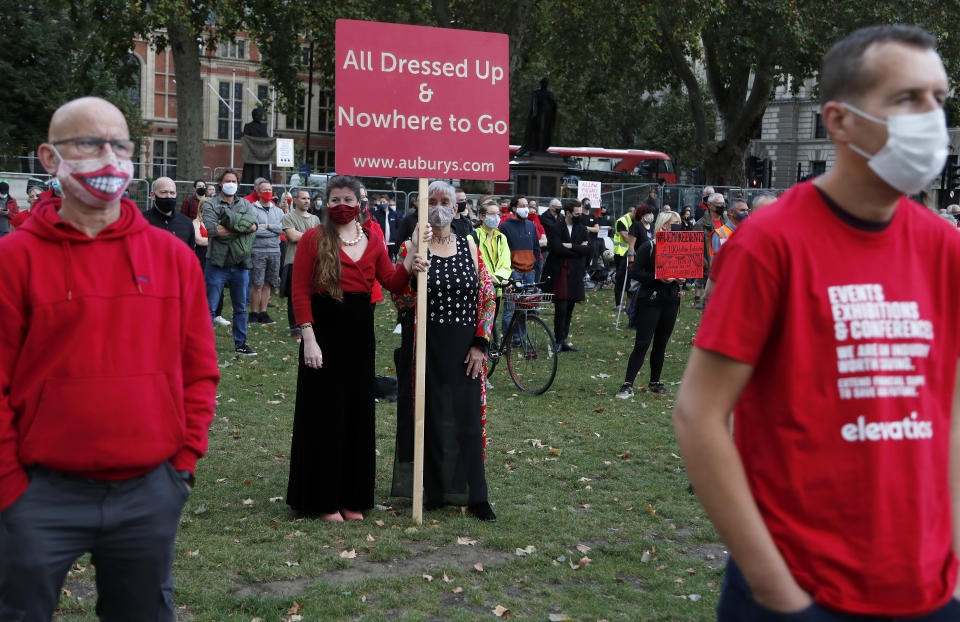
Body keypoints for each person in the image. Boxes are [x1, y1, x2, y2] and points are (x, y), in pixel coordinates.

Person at [674, 25, 960, 621]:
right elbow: (699, 415)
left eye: (938, 99)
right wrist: (781, 594)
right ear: (839, 121)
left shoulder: (943, 247)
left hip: (930, 590)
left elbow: (951, 414)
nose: (931, 117)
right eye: (907, 98)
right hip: (802, 591)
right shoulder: (769, 243)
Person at [0, 96, 218, 619]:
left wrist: (181, 468)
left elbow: (199, 370)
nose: (110, 158)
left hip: (149, 491)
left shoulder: (173, 259)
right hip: (39, 494)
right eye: (90, 144)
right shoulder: (14, 260)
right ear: (51, 159)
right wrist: (11, 487)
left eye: (120, 145)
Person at [286, 176, 428, 522]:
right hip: (323, 333)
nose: (341, 205)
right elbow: (299, 289)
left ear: (360, 201)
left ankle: (352, 497)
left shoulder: (373, 238)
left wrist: (411, 260)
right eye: (335, 199)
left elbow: (392, 282)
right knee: (326, 415)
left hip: (360, 336)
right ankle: (322, 499)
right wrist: (308, 337)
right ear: (326, 203)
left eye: (348, 198)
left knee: (356, 414)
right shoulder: (313, 238)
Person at [390, 181, 497, 522]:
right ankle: (434, 491)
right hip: (427, 344)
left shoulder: (470, 244)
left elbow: (488, 296)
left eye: (444, 201)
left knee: (466, 419)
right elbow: (401, 300)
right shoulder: (413, 247)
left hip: (466, 346)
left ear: (455, 208)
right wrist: (410, 270)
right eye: (431, 201)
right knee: (431, 416)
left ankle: (475, 494)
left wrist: (481, 343)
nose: (438, 207)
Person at [616, 211, 684, 399]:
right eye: (675, 223)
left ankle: (655, 382)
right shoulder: (649, 247)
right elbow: (636, 273)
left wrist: (682, 280)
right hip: (651, 301)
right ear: (664, 226)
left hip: (671, 300)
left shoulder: (680, 248)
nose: (679, 227)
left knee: (661, 344)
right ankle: (627, 384)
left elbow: (686, 272)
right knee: (643, 343)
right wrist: (658, 278)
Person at [202, 168, 259, 356]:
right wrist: (241, 227)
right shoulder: (210, 204)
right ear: (220, 183)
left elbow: (254, 226)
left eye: (234, 181)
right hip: (216, 264)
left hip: (240, 263)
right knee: (210, 307)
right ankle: (205, 347)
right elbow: (212, 230)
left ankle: (241, 344)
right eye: (227, 180)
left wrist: (228, 224)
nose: (231, 184)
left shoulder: (245, 204)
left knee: (240, 307)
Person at [542, 198, 591, 352]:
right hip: (559, 271)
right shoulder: (557, 227)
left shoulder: (582, 228)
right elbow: (556, 248)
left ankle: (563, 340)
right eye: (576, 213)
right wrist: (577, 249)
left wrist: (570, 246)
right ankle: (558, 339)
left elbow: (588, 250)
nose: (579, 215)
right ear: (568, 213)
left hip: (575, 272)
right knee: (561, 307)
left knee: (569, 307)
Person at [498, 195, 541, 337]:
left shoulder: (531, 225)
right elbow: (501, 250)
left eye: (527, 205)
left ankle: (520, 338)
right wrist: (509, 270)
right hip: (514, 271)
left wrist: (534, 267)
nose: (526, 209)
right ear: (515, 208)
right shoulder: (505, 226)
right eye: (522, 206)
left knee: (524, 308)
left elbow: (536, 248)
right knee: (510, 308)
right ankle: (508, 337)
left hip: (529, 271)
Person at [282, 188, 320, 339]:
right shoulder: (288, 217)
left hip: (313, 262)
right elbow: (292, 236)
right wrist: (311, 235)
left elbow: (320, 239)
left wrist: (302, 235)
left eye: (308, 198)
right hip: (294, 262)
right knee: (294, 297)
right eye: (303, 198)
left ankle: (310, 323)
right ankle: (295, 327)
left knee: (313, 295)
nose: (306, 201)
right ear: (295, 200)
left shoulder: (315, 219)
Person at [249, 179, 284, 325]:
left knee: (268, 284)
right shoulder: (252, 208)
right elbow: (255, 230)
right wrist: (273, 230)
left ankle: (263, 313)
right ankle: (253, 314)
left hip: (275, 251)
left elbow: (283, 228)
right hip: (258, 251)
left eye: (270, 189)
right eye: (264, 190)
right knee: (257, 284)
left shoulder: (278, 210)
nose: (268, 192)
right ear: (257, 192)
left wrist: (268, 226)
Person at [692, 193, 725, 309]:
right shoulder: (700, 225)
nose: (722, 206)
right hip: (709, 272)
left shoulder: (728, 222)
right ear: (710, 205)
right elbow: (695, 250)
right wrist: (704, 266)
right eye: (719, 204)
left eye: (723, 203)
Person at [144, 176, 195, 249]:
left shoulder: (187, 223)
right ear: (152, 195)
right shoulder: (141, 222)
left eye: (172, 193)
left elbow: (190, 255)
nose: (169, 196)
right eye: (163, 192)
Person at [612, 205, 636, 309]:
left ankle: (629, 304)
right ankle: (618, 304)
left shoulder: (636, 221)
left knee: (631, 278)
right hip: (621, 254)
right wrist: (637, 238)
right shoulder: (622, 221)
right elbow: (626, 238)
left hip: (632, 253)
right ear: (634, 212)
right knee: (620, 279)